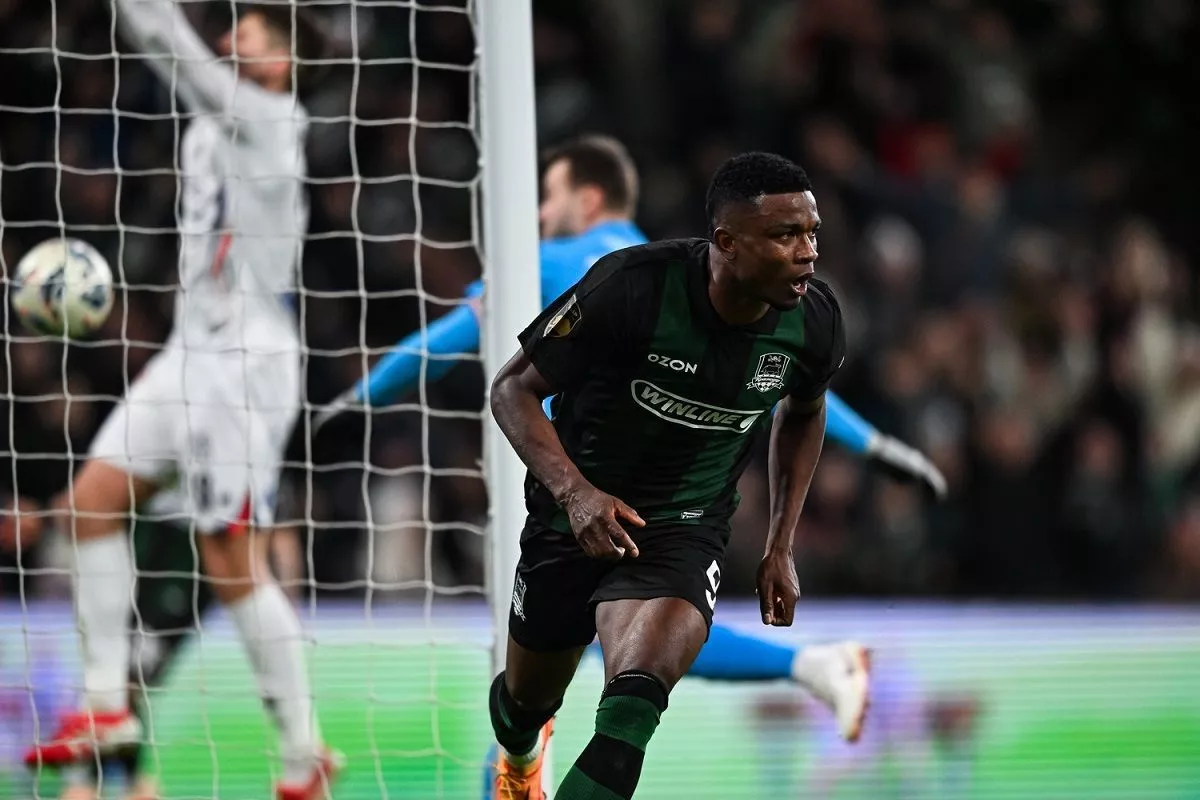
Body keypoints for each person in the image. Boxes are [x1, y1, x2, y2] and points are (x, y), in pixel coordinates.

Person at [316, 135, 946, 745]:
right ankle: (808, 664)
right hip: (579, 494)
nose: (540, 213)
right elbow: (780, 384)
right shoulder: (671, 265)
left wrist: (351, 404)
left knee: (634, 660)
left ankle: (805, 665)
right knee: (558, 674)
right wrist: (878, 447)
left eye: (550, 196)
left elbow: (438, 345)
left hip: (622, 495)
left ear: (588, 199)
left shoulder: (566, 261)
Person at [22, 4, 340, 799]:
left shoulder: (269, 118)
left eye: (250, 36)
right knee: (90, 502)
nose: (230, 41)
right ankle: (105, 707)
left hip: (246, 365)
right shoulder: (209, 124)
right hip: (189, 351)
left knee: (229, 560)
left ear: (281, 64)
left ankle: (303, 753)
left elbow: (171, 45)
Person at [485, 150, 842, 799]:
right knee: (523, 706)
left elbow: (804, 411)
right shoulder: (631, 286)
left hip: (685, 530)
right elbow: (512, 390)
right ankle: (520, 754)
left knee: (631, 711)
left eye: (812, 234)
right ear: (727, 243)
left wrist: (780, 544)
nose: (808, 254)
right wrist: (576, 494)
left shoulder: (814, 320)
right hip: (574, 518)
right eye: (786, 235)